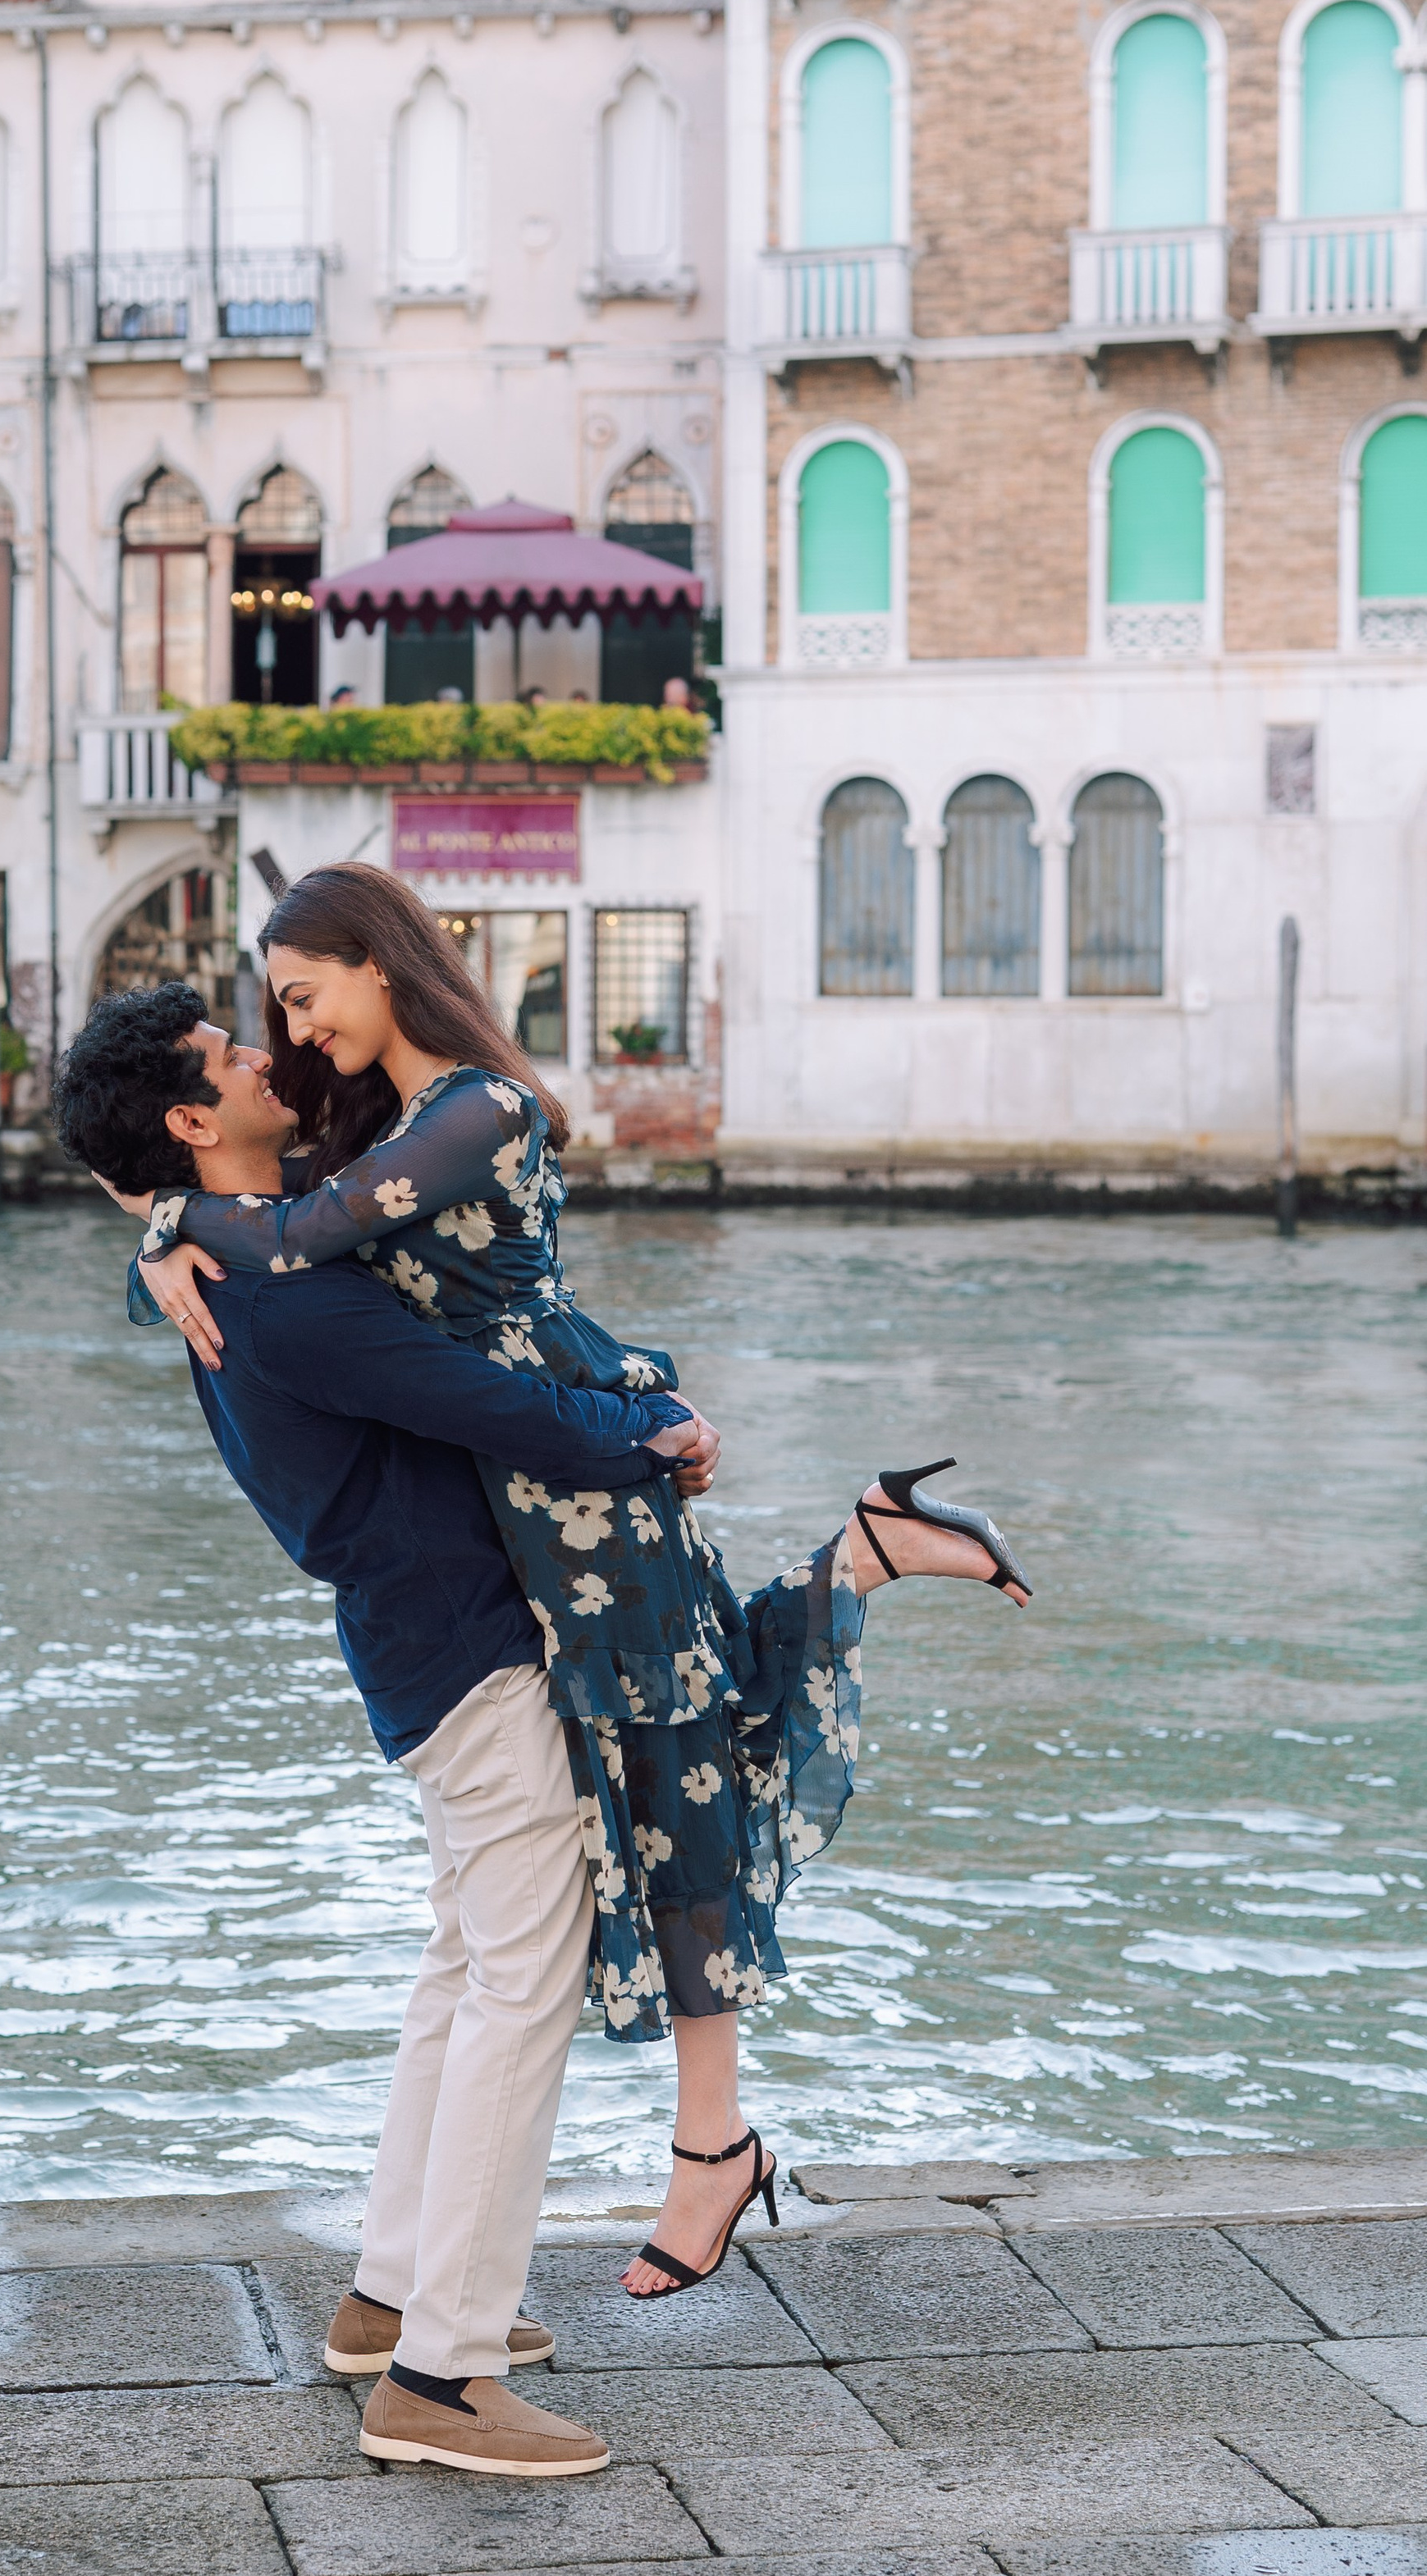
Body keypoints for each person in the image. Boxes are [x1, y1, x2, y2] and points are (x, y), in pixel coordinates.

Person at [121, 862, 1031, 2303]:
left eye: (302, 998)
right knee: (640, 1799)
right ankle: (860, 1556)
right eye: (269, 1018)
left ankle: (694, 2155)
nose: (288, 1034)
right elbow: (289, 1255)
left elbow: (290, 1249)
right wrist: (158, 1234)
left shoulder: (474, 1106)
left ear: (379, 962)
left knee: (679, 1782)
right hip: (534, 1500)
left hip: (587, 1473)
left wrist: (171, 1222)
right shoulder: (375, 1125)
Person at [53, 981, 719, 2481]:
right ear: (189, 1120)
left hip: (420, 1644)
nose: (261, 1054)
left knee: (465, 1965)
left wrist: (157, 1230)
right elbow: (480, 1399)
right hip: (467, 1644)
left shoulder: (243, 1252)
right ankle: (442, 2374)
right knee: (520, 1988)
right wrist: (654, 1430)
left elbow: (329, 1280)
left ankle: (393, 2296)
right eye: (230, 1054)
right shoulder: (283, 1287)